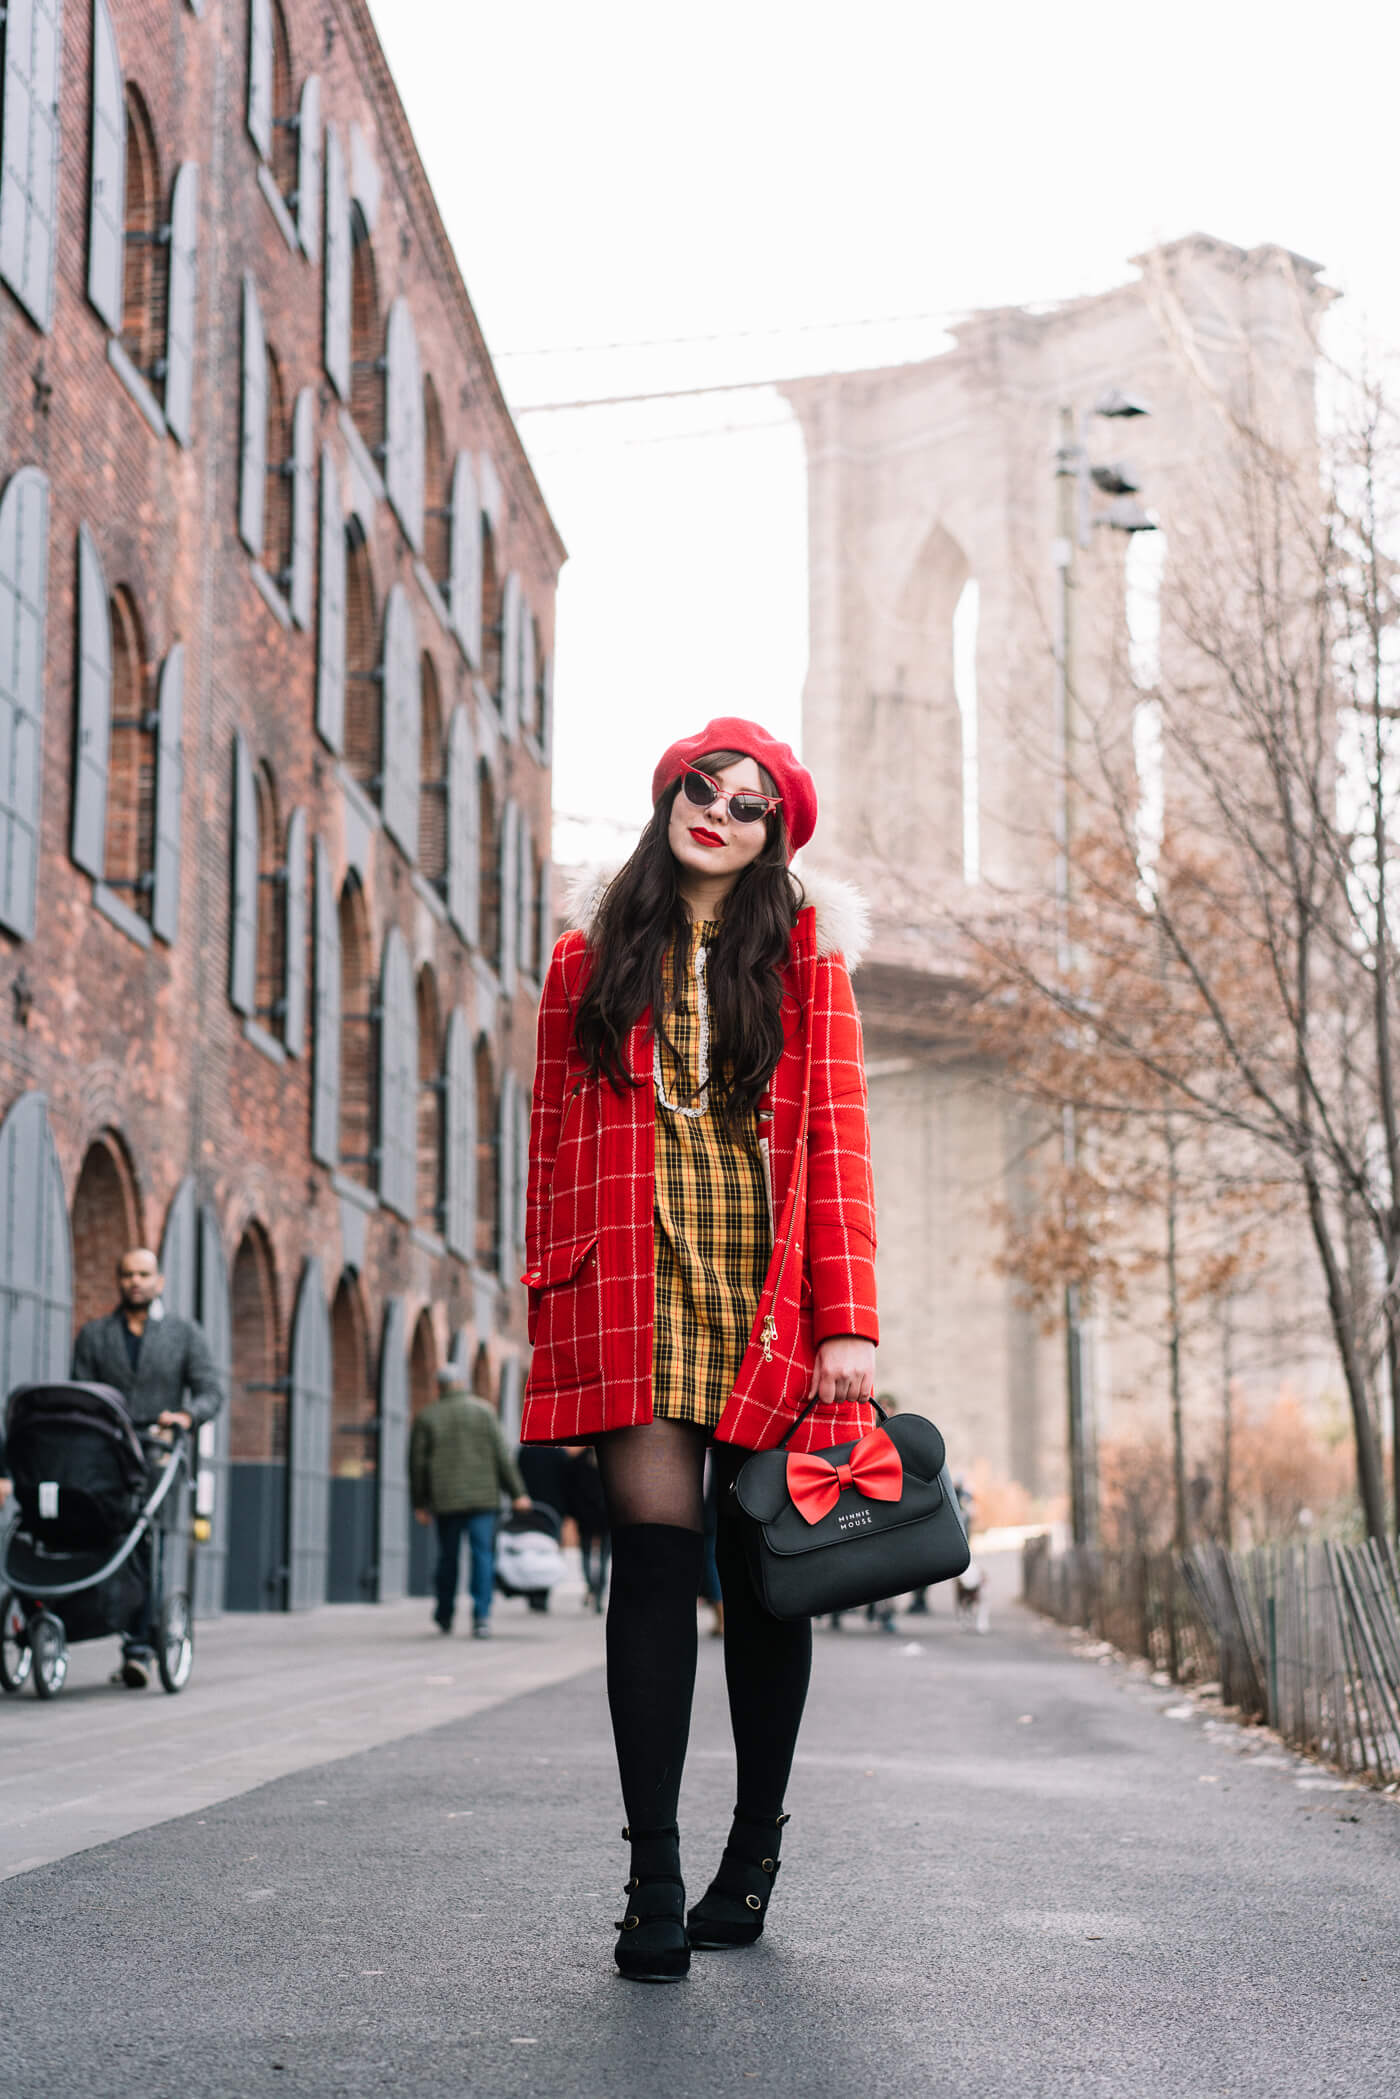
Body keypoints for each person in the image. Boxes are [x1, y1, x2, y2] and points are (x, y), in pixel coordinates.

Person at [522, 717, 878, 1983]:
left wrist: (848, 1321)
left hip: (765, 1297)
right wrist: (551, 1307)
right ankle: (651, 1875)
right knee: (653, 1566)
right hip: (634, 1287)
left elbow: (834, 1142)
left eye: (748, 802)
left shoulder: (803, 963)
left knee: (764, 1568)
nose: (717, 809)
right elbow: (550, 1148)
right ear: (667, 793)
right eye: (700, 786)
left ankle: (752, 1850)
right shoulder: (585, 957)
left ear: (775, 833)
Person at [71, 1246, 224, 1688]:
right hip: (106, 1460)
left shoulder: (183, 1334)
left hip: (158, 1458)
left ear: (159, 1281)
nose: (134, 1281)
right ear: (118, 1281)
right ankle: (106, 1625)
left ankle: (138, 1649)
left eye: (143, 1274)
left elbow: (210, 1390)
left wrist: (187, 1416)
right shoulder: (95, 1335)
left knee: (147, 1546)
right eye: (126, 1274)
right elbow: (81, 1392)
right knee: (105, 1541)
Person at [410, 1365, 530, 1638]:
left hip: (446, 1500)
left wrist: (419, 1503)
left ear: (439, 1386)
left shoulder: (427, 1417)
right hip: (483, 1500)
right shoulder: (484, 1411)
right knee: (482, 1557)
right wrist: (518, 1493)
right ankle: (482, 1617)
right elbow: (503, 1456)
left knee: (448, 1558)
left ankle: (444, 1614)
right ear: (463, 1383)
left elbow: (416, 1465)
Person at [566, 1444, 610, 1614]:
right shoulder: (579, 1462)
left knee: (600, 1556)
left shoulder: (579, 1461)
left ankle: (595, 1589)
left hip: (600, 1515)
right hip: (593, 1514)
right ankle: (594, 1588)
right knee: (593, 1555)